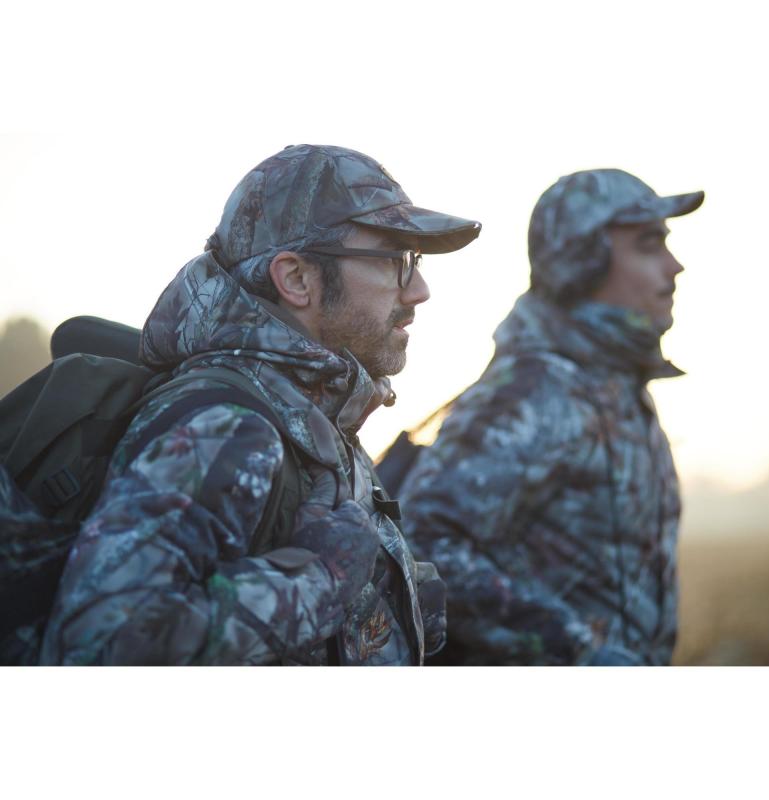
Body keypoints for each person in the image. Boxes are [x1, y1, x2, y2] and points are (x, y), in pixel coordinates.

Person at [39, 144, 481, 665]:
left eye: (416, 261)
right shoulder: (225, 425)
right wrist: (323, 581)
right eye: (396, 261)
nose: (419, 290)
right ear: (296, 279)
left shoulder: (315, 414)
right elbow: (99, 646)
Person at [398, 168, 703, 665]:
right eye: (649, 245)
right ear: (582, 262)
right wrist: (578, 651)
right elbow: (423, 547)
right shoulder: (532, 394)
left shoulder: (617, 386)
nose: (675, 266)